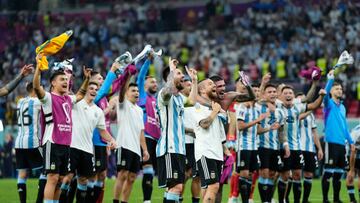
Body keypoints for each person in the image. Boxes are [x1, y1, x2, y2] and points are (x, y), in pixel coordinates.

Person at [33, 53, 91, 203]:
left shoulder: (67, 99)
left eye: (67, 79)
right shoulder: (48, 98)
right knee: (52, 178)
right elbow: (36, 87)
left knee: (60, 178)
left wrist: (86, 80)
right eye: (62, 79)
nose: (66, 81)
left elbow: (80, 95)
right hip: (52, 142)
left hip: (65, 144)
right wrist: (38, 69)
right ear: (53, 83)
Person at [59, 82, 116, 203]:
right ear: (86, 90)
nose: (94, 91)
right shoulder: (76, 103)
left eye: (96, 89)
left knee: (83, 180)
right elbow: (68, 93)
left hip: (87, 150)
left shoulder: (98, 111)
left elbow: (102, 131)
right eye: (91, 88)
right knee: (67, 178)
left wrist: (112, 140)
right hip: (72, 147)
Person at [156, 57, 198, 203]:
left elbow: (192, 101)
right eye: (179, 74)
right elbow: (168, 90)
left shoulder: (179, 98)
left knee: (173, 189)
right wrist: (172, 71)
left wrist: (195, 81)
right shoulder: (164, 95)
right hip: (170, 147)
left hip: (179, 149)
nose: (183, 77)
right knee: (176, 188)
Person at [277, 85, 326, 203]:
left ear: (293, 97)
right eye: (285, 93)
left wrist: (321, 96)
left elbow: (314, 105)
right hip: (283, 148)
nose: (288, 95)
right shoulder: (277, 107)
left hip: (296, 148)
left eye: (290, 93)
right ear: (281, 96)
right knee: (284, 176)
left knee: (297, 175)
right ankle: (281, 200)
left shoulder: (297, 109)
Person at [113, 66, 150, 203]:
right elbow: (121, 91)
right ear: (127, 93)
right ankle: (115, 201)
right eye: (133, 90)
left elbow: (141, 131)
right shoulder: (123, 104)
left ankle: (124, 201)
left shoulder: (139, 110)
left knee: (132, 178)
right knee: (122, 175)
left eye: (137, 91)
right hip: (123, 145)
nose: (136, 93)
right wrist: (128, 76)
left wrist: (145, 150)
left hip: (136, 149)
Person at [193, 78, 231, 203]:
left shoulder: (216, 107)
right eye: (210, 84)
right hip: (206, 152)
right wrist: (215, 112)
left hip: (217, 153)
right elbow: (204, 124)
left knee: (207, 188)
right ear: (202, 90)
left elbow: (220, 135)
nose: (214, 86)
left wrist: (226, 151)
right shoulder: (198, 106)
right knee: (213, 186)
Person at [322, 70, 354, 203]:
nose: (340, 91)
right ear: (331, 91)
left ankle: (336, 199)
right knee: (328, 173)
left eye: (340, 89)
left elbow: (345, 126)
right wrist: (330, 79)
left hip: (342, 144)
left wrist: (351, 142)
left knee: (338, 174)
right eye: (337, 89)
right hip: (331, 143)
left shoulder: (343, 107)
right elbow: (324, 95)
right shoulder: (328, 104)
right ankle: (325, 199)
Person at [256, 83, 288, 203]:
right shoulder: (259, 108)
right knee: (263, 173)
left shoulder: (280, 112)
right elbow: (257, 130)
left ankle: (268, 200)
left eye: (274, 92)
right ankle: (264, 200)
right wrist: (269, 128)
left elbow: (281, 131)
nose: (273, 94)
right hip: (262, 146)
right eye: (269, 92)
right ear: (264, 94)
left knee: (272, 174)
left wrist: (285, 144)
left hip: (275, 147)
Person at [136, 55, 161, 203]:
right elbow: (140, 76)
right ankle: (147, 200)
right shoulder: (142, 95)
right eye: (152, 82)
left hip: (157, 139)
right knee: (147, 169)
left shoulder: (155, 99)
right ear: (144, 85)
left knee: (152, 172)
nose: (155, 84)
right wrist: (148, 61)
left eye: (156, 82)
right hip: (146, 137)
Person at [14, 82, 44, 203]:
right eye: (40, 87)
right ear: (35, 89)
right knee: (46, 171)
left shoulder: (20, 102)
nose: (42, 89)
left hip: (19, 143)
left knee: (22, 174)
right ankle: (38, 201)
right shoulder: (38, 102)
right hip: (32, 142)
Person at [296, 93, 324, 203]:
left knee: (309, 174)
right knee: (296, 174)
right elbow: (299, 117)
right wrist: (311, 109)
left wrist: (319, 148)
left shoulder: (310, 115)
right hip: (297, 147)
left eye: (304, 100)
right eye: (300, 100)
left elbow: (314, 132)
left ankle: (305, 200)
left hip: (310, 149)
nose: (303, 101)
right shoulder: (294, 112)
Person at [181, 76, 200, 203]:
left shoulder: (197, 104)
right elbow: (176, 125)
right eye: (188, 85)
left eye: (192, 85)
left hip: (197, 144)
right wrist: (192, 130)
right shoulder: (180, 102)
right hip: (185, 143)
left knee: (197, 176)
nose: (191, 87)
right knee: (184, 176)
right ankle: (178, 199)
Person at [346, 124, 360, 203]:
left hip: (357, 149)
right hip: (350, 151)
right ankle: (352, 200)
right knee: (350, 175)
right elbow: (352, 150)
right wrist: (351, 169)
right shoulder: (357, 132)